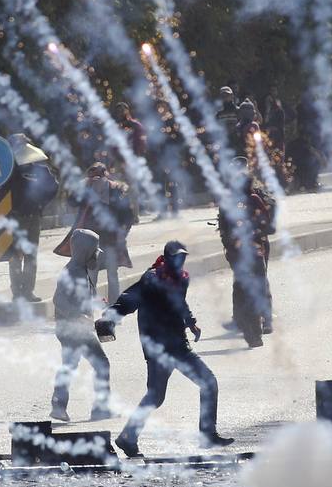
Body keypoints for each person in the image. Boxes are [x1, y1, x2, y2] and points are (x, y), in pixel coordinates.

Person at [97, 240, 232, 457]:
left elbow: (180, 303)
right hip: (159, 347)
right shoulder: (152, 278)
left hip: (178, 344)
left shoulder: (182, 279)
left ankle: (205, 435)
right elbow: (130, 298)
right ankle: (128, 438)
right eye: (176, 257)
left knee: (206, 382)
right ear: (167, 258)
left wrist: (191, 322)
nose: (180, 261)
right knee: (156, 396)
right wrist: (111, 317)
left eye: (183, 257)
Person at [50, 229, 111, 422]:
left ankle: (59, 407)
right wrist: (80, 316)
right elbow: (58, 300)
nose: (97, 253)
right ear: (85, 250)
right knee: (102, 364)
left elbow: (78, 298)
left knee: (69, 366)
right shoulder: (73, 272)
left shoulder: (80, 269)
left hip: (71, 329)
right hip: (74, 330)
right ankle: (101, 409)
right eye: (94, 249)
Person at [57, 162, 135, 303]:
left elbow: (127, 215)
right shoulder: (86, 188)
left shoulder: (115, 189)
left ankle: (110, 308)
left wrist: (123, 233)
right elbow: (72, 201)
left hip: (106, 239)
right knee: (94, 276)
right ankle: (95, 308)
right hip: (91, 241)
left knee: (105, 276)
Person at [217, 159, 275, 347]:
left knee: (254, 284)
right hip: (249, 249)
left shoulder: (256, 193)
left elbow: (269, 219)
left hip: (252, 249)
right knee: (248, 284)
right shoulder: (235, 198)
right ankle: (248, 323)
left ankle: (262, 320)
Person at [8, 133, 59, 303]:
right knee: (16, 255)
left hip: (33, 217)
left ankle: (28, 291)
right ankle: (17, 293)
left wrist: (41, 203)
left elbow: (53, 187)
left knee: (30, 255)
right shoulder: (10, 168)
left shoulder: (40, 168)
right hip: (15, 217)